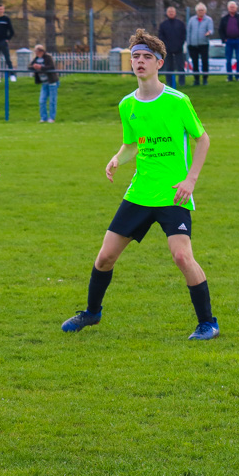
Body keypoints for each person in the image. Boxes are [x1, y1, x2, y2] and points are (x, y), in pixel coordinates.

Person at [61, 29, 218, 341]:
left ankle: (207, 323)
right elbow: (132, 144)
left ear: (159, 62)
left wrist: (191, 179)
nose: (140, 61)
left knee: (182, 257)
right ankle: (92, 313)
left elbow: (202, 139)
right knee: (105, 257)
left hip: (173, 193)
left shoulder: (177, 101)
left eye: (147, 56)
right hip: (140, 192)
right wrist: (118, 158)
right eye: (135, 56)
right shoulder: (127, 105)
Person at [28, 44, 59, 123]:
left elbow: (51, 67)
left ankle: (52, 118)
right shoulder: (36, 59)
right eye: (36, 51)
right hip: (44, 83)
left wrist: (41, 67)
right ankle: (43, 117)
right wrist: (34, 67)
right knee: (42, 100)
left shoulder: (48, 57)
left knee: (52, 101)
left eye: (38, 51)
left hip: (52, 82)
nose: (37, 53)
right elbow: (29, 67)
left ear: (42, 51)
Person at [218, 1, 239, 82]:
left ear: (236, 8)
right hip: (228, 41)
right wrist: (224, 39)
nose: (232, 8)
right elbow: (220, 30)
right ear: (228, 8)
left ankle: (238, 76)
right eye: (231, 7)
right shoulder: (224, 19)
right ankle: (229, 76)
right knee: (228, 59)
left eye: (233, 7)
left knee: (238, 59)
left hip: (238, 41)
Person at [158, 6, 186, 87]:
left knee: (180, 66)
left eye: (172, 11)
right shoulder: (163, 25)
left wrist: (179, 45)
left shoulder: (180, 24)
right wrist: (166, 46)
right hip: (167, 49)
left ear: (175, 13)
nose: (171, 13)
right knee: (169, 66)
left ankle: (182, 82)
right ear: (167, 13)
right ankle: (169, 83)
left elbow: (183, 36)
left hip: (179, 49)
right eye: (169, 11)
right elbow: (161, 37)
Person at [187, 3, 214, 86]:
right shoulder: (192, 20)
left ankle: (205, 79)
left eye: (202, 10)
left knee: (205, 62)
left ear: (205, 11)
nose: (200, 12)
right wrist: (188, 43)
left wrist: (208, 33)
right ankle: (196, 80)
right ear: (196, 11)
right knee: (195, 63)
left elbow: (211, 30)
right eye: (199, 10)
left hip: (204, 44)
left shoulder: (208, 20)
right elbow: (189, 32)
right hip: (193, 45)